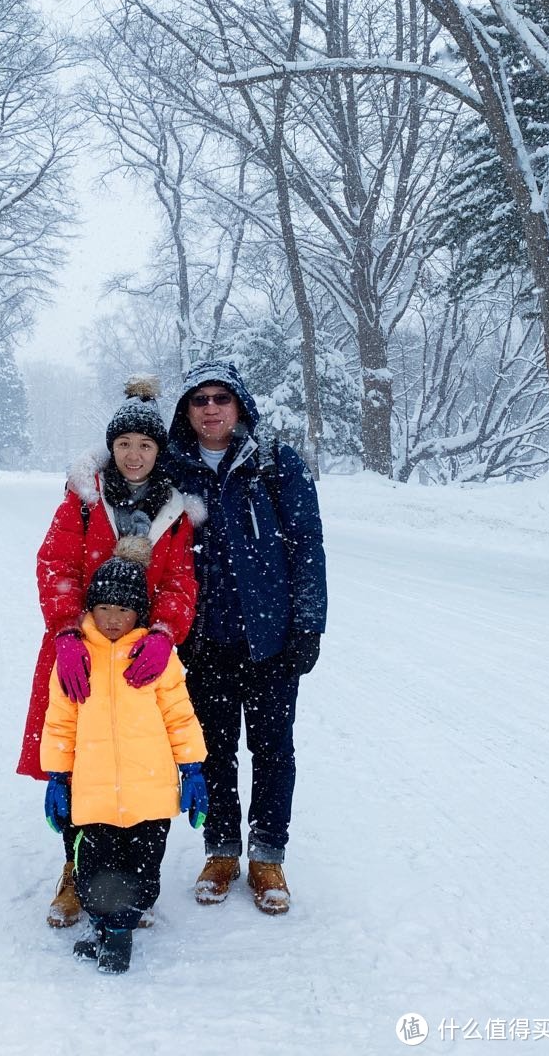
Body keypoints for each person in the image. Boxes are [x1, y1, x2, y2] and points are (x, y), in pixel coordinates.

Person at [17, 375, 204, 927]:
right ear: (111, 447)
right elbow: (56, 567)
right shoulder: (81, 502)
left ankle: (127, 875)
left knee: (136, 766)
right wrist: (68, 632)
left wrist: (164, 634)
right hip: (79, 652)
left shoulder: (173, 511)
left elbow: (180, 583)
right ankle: (77, 873)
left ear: (157, 450)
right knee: (77, 763)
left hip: (143, 662)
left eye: (145, 445)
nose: (134, 455)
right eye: (124, 444)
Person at [163, 360, 327, 915]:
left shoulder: (275, 465)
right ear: (186, 412)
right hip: (204, 643)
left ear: (239, 406)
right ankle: (222, 850)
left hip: (271, 642)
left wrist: (308, 623)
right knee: (212, 753)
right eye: (199, 399)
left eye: (221, 398)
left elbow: (308, 547)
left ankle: (267, 856)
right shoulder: (172, 470)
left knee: (273, 751)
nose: (211, 408)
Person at [40, 538, 208, 973]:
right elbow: (60, 724)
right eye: (105, 608)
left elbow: (180, 716)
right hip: (93, 797)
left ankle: (121, 927)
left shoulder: (156, 657)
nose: (113, 619)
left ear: (140, 614)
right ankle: (109, 929)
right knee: (94, 868)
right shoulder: (76, 659)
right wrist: (58, 777)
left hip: (148, 794)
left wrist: (192, 767)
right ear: (90, 609)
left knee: (143, 868)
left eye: (125, 610)